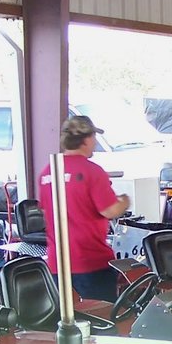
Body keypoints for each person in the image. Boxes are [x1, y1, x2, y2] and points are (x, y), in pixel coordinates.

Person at [39, 115, 131, 302]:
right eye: (94, 137)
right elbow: (110, 210)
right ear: (86, 140)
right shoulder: (92, 171)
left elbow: (44, 212)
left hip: (57, 263)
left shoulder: (47, 173)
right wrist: (125, 201)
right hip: (91, 262)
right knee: (99, 315)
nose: (94, 143)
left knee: (66, 315)